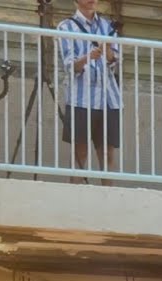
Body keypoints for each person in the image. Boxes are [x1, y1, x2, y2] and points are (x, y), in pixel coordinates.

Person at [56, 0, 123, 184]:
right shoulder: (66, 26)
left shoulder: (107, 25)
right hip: (81, 98)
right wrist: (88, 57)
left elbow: (115, 61)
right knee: (80, 152)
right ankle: (76, 197)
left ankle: (108, 197)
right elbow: (69, 66)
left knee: (107, 152)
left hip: (109, 97)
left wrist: (107, 50)